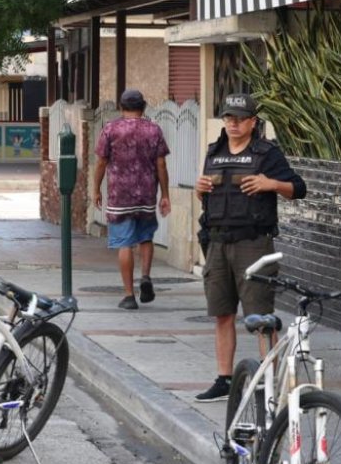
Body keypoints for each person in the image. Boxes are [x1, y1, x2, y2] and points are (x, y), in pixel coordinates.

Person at [193, 93, 306, 403]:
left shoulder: (267, 154)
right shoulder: (214, 152)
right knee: (222, 314)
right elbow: (208, 197)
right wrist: (199, 189)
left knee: (261, 317)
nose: (233, 123)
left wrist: (272, 184)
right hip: (217, 242)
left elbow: (299, 188)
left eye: (240, 118)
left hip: (253, 243)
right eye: (229, 117)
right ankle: (224, 379)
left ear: (253, 122)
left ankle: (269, 383)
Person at [92, 89, 171, 310]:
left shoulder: (110, 129)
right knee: (146, 237)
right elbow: (161, 164)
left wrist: (96, 189)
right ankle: (145, 276)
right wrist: (165, 194)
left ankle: (129, 296)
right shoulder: (153, 130)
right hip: (146, 193)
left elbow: (101, 162)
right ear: (143, 107)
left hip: (119, 195)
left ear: (121, 107)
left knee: (124, 243)